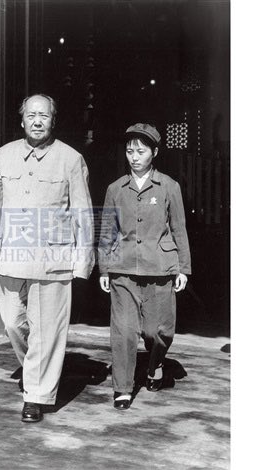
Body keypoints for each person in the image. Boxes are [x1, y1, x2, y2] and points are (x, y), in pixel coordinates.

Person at [0, 94, 95, 423]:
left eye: (43, 115)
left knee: (47, 330)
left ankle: (36, 394)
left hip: (52, 260)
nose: (37, 121)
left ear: (53, 120)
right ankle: (38, 368)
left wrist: (82, 262)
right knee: (12, 323)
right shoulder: (5, 155)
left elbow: (83, 214)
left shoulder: (70, 159)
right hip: (11, 256)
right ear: (22, 120)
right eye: (31, 115)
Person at [98, 123, 191, 410]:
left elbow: (179, 229)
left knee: (158, 331)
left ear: (155, 153)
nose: (134, 157)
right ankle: (123, 388)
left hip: (160, 268)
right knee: (124, 331)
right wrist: (104, 268)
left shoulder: (169, 187)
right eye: (130, 151)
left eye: (141, 151)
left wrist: (183, 268)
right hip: (123, 269)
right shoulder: (115, 189)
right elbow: (107, 231)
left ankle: (156, 363)